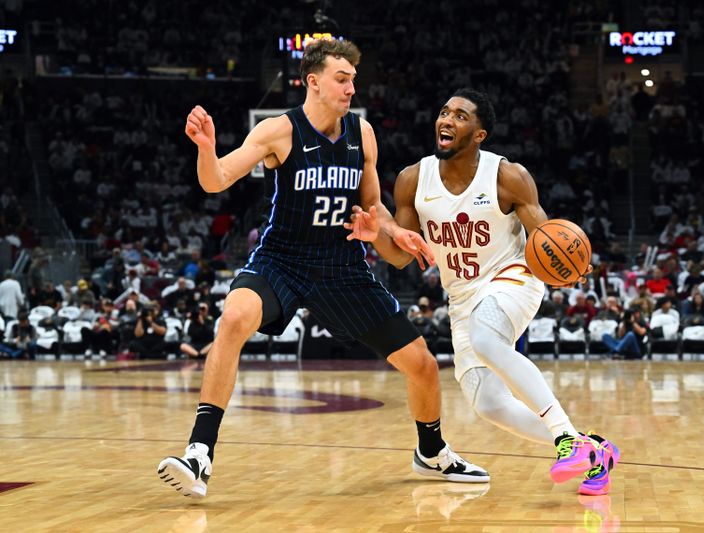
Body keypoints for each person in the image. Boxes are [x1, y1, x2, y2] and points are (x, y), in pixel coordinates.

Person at [157, 40, 487, 499]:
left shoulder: (363, 134)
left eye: (353, 78)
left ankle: (431, 451)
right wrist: (206, 149)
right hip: (282, 260)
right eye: (342, 78)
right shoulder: (279, 131)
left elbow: (374, 207)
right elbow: (215, 180)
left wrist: (395, 232)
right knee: (232, 318)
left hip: (341, 267)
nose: (352, 86)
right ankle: (199, 453)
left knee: (424, 367)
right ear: (313, 82)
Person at [346, 88, 618, 496]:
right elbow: (400, 258)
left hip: (513, 279)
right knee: (488, 404)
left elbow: (544, 238)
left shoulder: (508, 176)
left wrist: (569, 267)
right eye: (443, 112)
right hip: (462, 298)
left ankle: (565, 440)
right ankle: (592, 449)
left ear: (479, 134)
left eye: (459, 116)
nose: (446, 120)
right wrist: (375, 236)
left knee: (487, 339)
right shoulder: (412, 180)